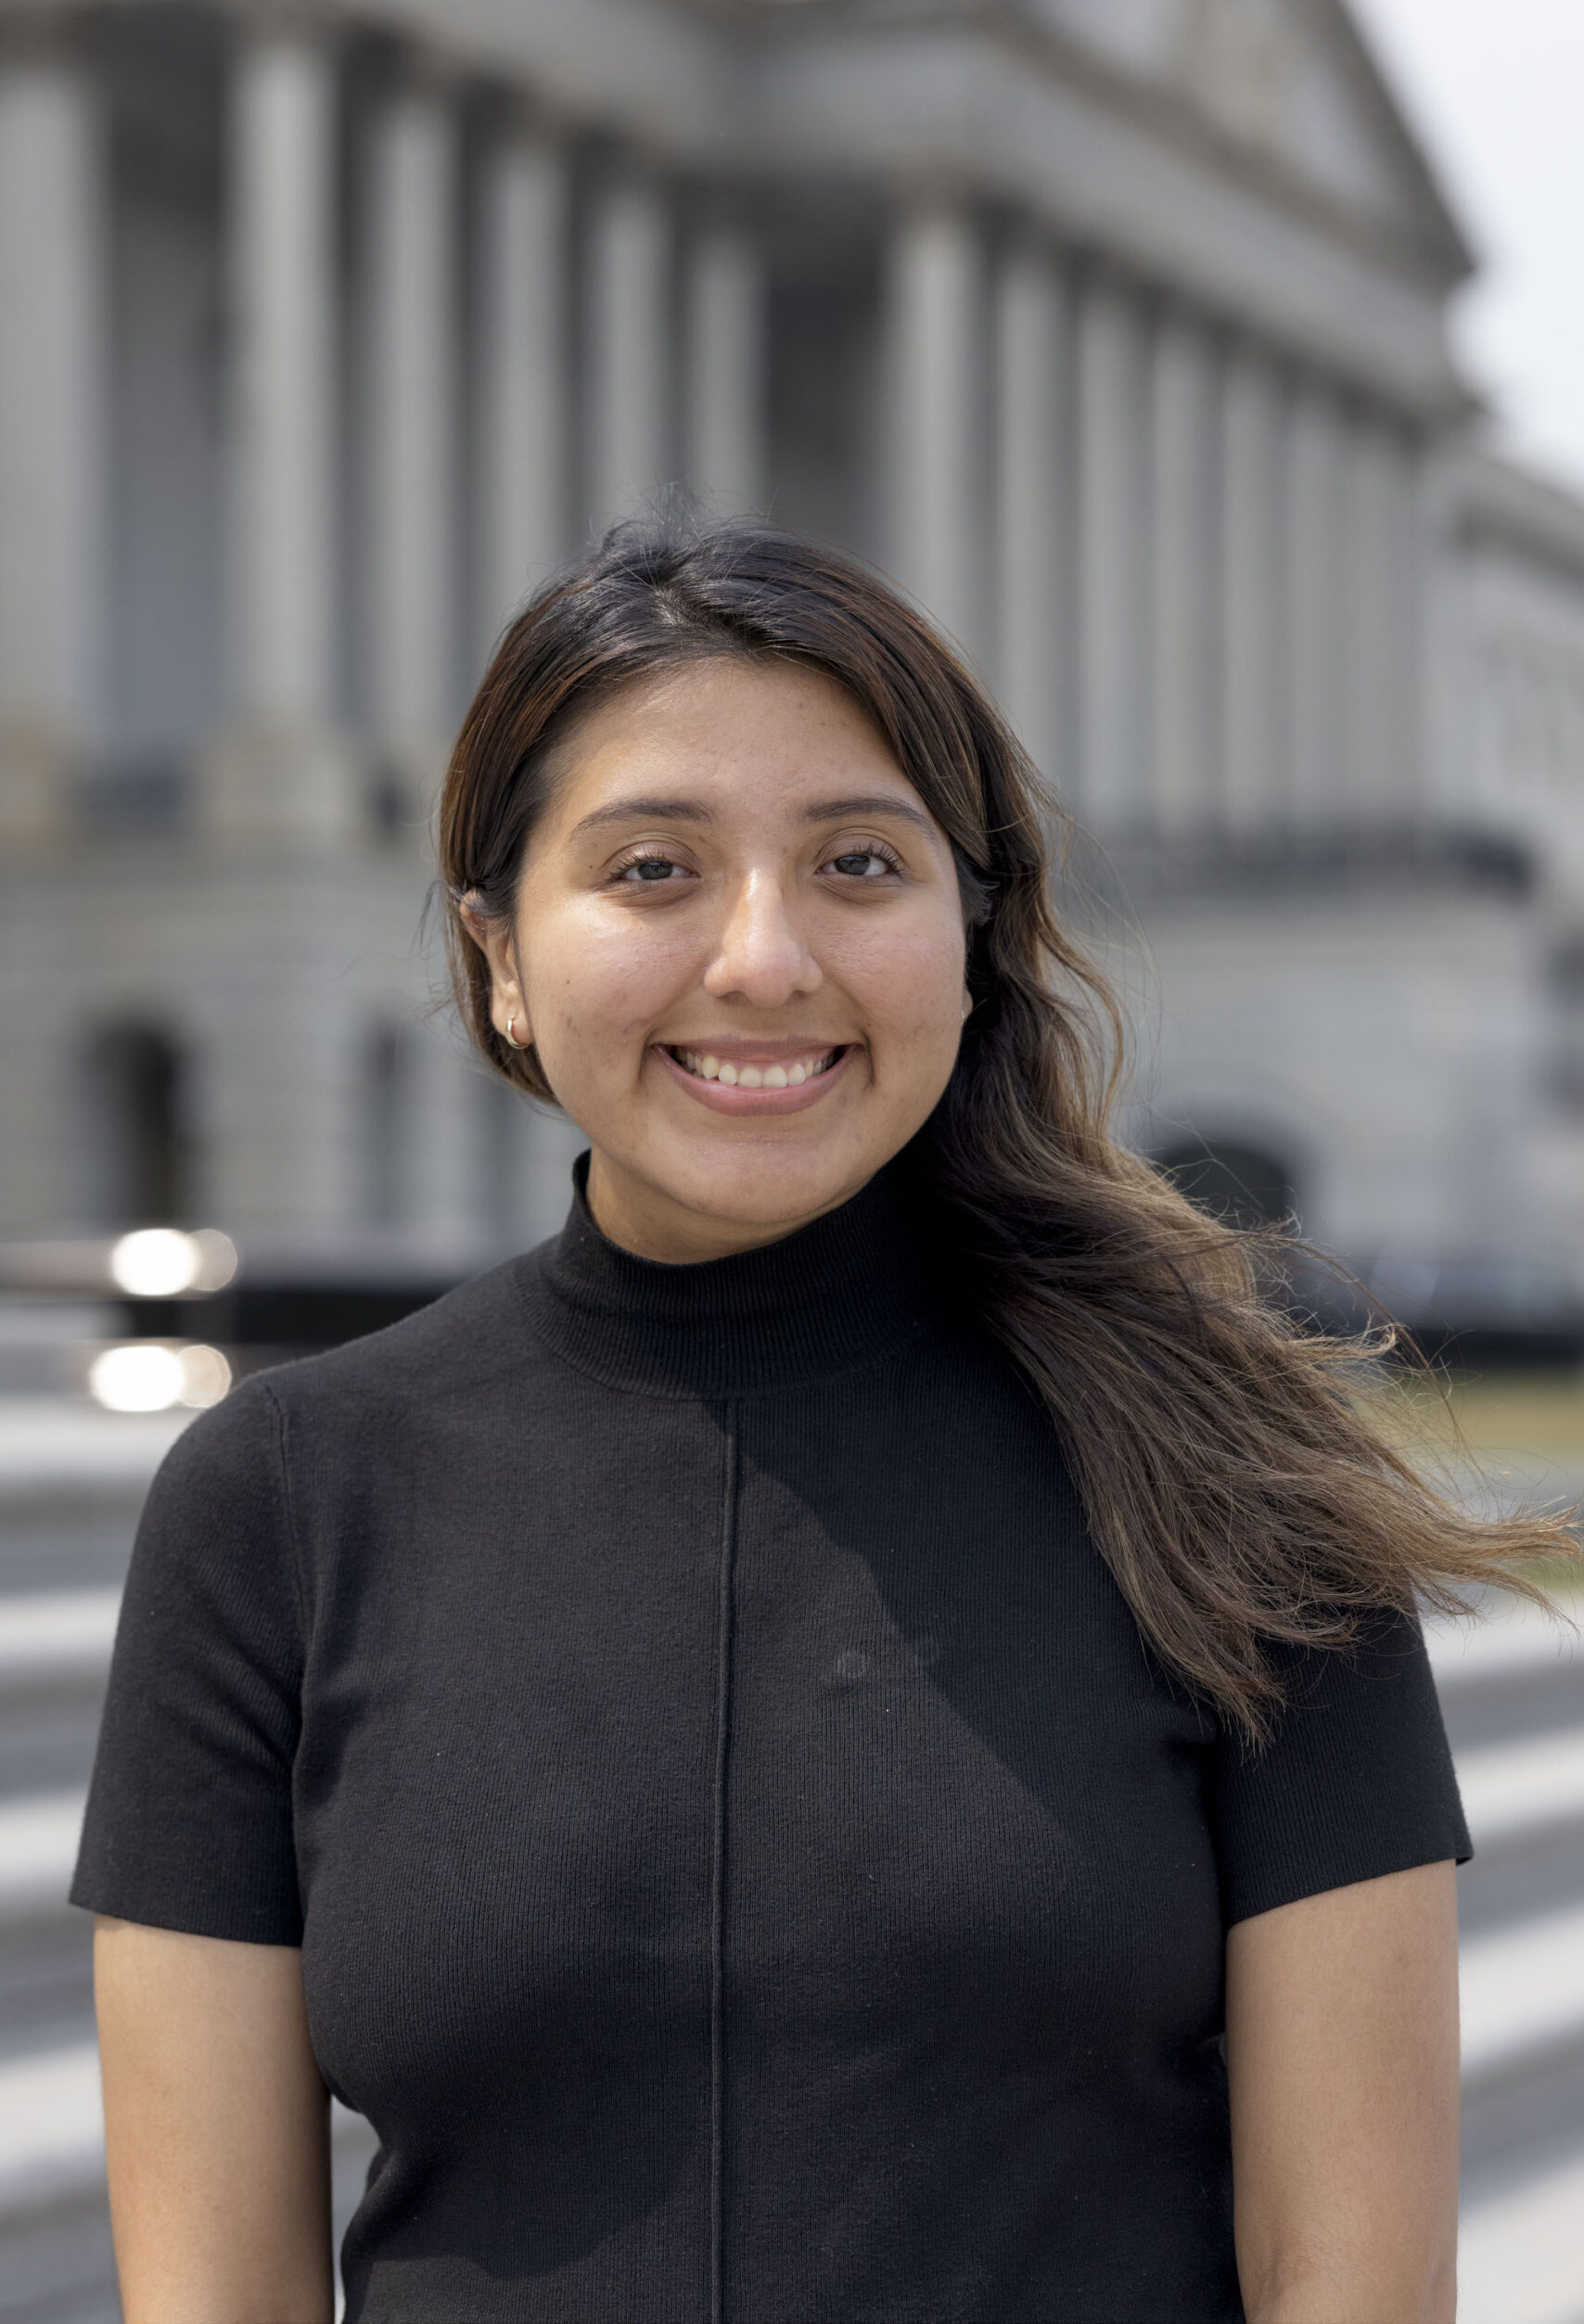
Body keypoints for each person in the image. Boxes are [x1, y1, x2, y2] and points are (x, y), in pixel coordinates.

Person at [74, 523, 1564, 2324]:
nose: (762, 958)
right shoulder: (280, 1503)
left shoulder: (1233, 1484)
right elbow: (212, 2292)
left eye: (857, 861)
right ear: (499, 960)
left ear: (970, 935)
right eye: (650, 870)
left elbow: (1352, 2279)